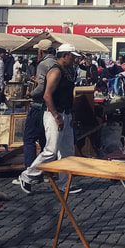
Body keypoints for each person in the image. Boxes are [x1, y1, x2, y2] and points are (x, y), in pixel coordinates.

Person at [18, 45, 82, 195]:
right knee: (51, 150)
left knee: (67, 151)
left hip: (65, 113)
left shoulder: (67, 71)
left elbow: (68, 94)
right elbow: (47, 95)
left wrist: (70, 114)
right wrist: (56, 116)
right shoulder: (55, 71)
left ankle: (64, 183)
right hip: (55, 114)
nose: (74, 59)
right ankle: (27, 175)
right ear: (64, 55)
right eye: (72, 56)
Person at [21, 40, 57, 172]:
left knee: (29, 138)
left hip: (39, 105)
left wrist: (31, 93)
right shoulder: (56, 62)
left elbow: (41, 86)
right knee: (44, 140)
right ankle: (45, 170)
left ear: (41, 51)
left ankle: (29, 170)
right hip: (50, 105)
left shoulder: (43, 64)